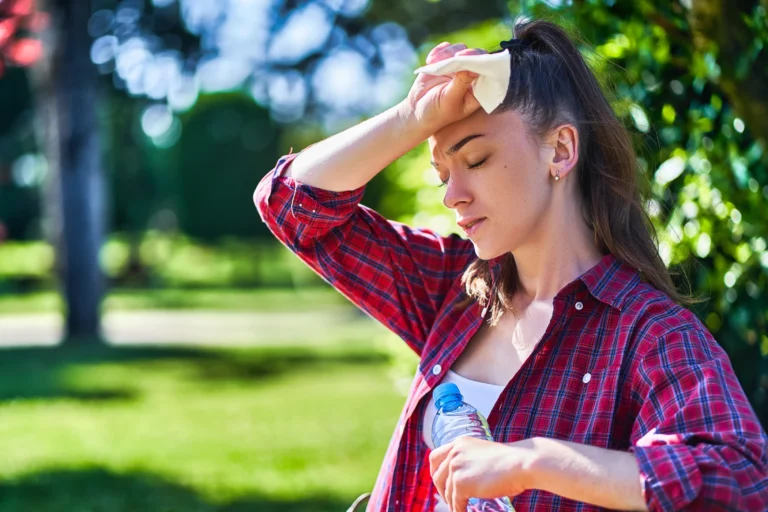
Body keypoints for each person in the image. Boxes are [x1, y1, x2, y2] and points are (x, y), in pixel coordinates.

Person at [254, 18, 768, 512]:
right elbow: (293, 207)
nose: (453, 195)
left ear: (561, 150)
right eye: (441, 173)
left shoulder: (648, 333)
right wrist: (415, 117)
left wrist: (533, 461)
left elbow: (741, 480)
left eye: (474, 160)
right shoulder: (453, 290)